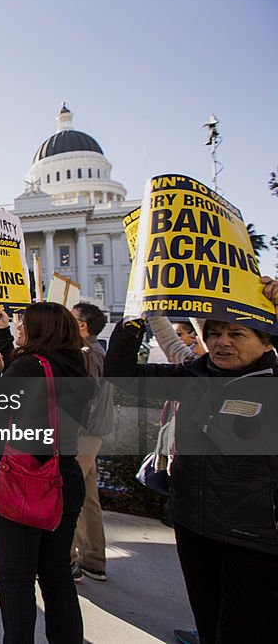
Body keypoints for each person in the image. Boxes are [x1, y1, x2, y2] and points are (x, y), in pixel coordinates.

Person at [104, 275, 278, 644]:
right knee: (210, 623)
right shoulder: (193, 375)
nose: (222, 341)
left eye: (237, 333)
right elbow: (122, 377)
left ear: (266, 342)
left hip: (254, 540)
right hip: (194, 527)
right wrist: (136, 315)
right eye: (214, 332)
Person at [0, 302, 93, 644]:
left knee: (16, 578)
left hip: (24, 479)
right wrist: (2, 336)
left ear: (39, 329)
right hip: (65, 475)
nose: (18, 328)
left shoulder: (29, 367)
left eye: (22, 323)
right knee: (56, 573)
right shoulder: (76, 366)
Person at [69, 302, 112, 582]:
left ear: (82, 326)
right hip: (92, 434)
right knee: (87, 498)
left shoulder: (86, 354)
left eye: (71, 319)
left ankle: (68, 560)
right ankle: (94, 559)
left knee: (67, 497)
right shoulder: (97, 351)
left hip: (81, 435)